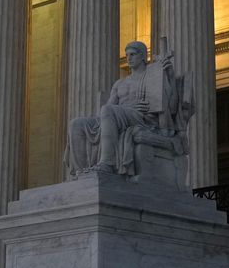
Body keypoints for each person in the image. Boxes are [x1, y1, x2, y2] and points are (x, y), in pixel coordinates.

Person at [65, 40, 180, 177]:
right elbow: (107, 108)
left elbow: (171, 106)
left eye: (133, 54)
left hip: (143, 119)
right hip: (119, 116)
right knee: (76, 124)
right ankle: (82, 173)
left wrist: (170, 76)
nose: (128, 58)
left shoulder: (153, 76)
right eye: (127, 55)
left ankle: (107, 163)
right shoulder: (120, 84)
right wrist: (126, 108)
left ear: (143, 56)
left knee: (108, 111)